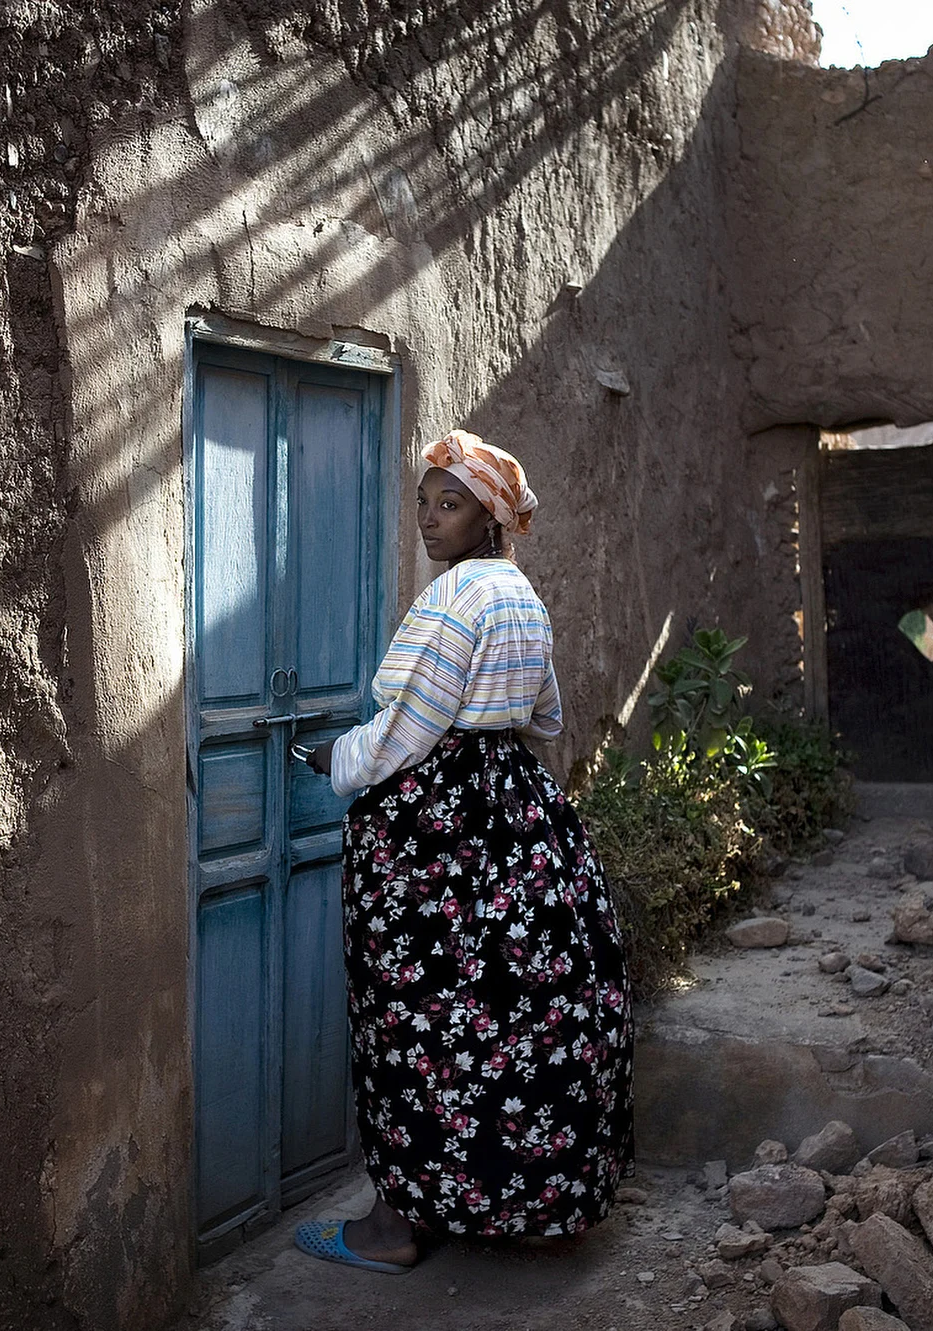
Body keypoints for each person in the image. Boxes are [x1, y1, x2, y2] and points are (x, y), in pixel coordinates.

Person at [291, 429, 634, 1274]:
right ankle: (510, 1198)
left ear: (491, 519)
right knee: (515, 1012)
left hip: (436, 827)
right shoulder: (521, 595)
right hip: (516, 811)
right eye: (424, 500)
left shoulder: (453, 598)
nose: (429, 518)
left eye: (451, 504)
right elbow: (545, 715)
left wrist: (334, 757)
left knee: (413, 1020)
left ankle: (393, 1227)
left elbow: (408, 730)